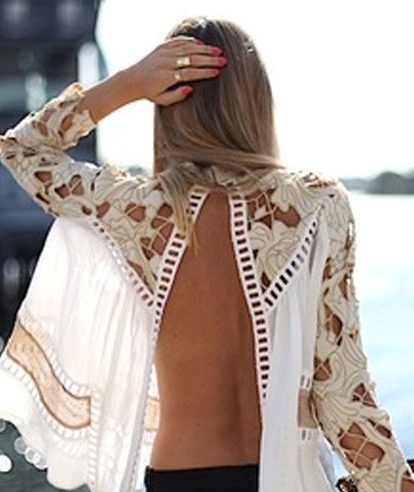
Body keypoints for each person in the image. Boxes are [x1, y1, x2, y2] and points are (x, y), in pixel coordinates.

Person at [0, 16, 412, 492]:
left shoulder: (141, 212)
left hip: (179, 479)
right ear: (257, 103)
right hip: (283, 479)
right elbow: (342, 395)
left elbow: (23, 149)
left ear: (168, 108)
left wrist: (129, 83)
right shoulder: (315, 208)